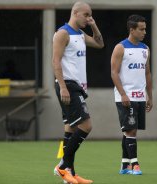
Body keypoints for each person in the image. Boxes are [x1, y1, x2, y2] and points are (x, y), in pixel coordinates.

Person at [52, 1, 104, 184]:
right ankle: (62, 166)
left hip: (78, 87)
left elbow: (100, 43)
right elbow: (56, 61)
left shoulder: (80, 34)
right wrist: (63, 87)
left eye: (90, 15)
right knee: (86, 125)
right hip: (68, 85)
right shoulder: (62, 33)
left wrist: (93, 25)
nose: (88, 18)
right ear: (75, 13)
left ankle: (70, 174)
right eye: (86, 15)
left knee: (71, 128)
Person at [111, 14, 153, 175]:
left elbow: (147, 73)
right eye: (141, 29)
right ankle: (135, 164)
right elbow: (114, 73)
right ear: (132, 29)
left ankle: (124, 165)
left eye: (145, 29)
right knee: (131, 131)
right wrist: (123, 94)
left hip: (140, 96)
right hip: (125, 97)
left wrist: (150, 95)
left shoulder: (145, 49)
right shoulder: (120, 48)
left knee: (129, 130)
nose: (144, 32)